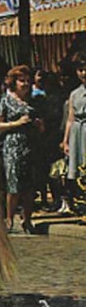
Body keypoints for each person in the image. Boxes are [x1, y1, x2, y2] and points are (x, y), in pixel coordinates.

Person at [0, 65, 41, 233]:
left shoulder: (33, 100)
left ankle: (27, 220)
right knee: (14, 185)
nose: (25, 84)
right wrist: (15, 124)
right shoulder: (6, 100)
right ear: (13, 82)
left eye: (27, 81)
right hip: (13, 144)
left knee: (29, 186)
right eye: (21, 81)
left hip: (30, 144)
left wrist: (38, 124)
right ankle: (9, 219)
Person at [62, 52, 86, 215]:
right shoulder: (74, 93)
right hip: (77, 132)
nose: (83, 73)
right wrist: (66, 141)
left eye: (85, 69)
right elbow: (70, 118)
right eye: (80, 70)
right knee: (78, 171)